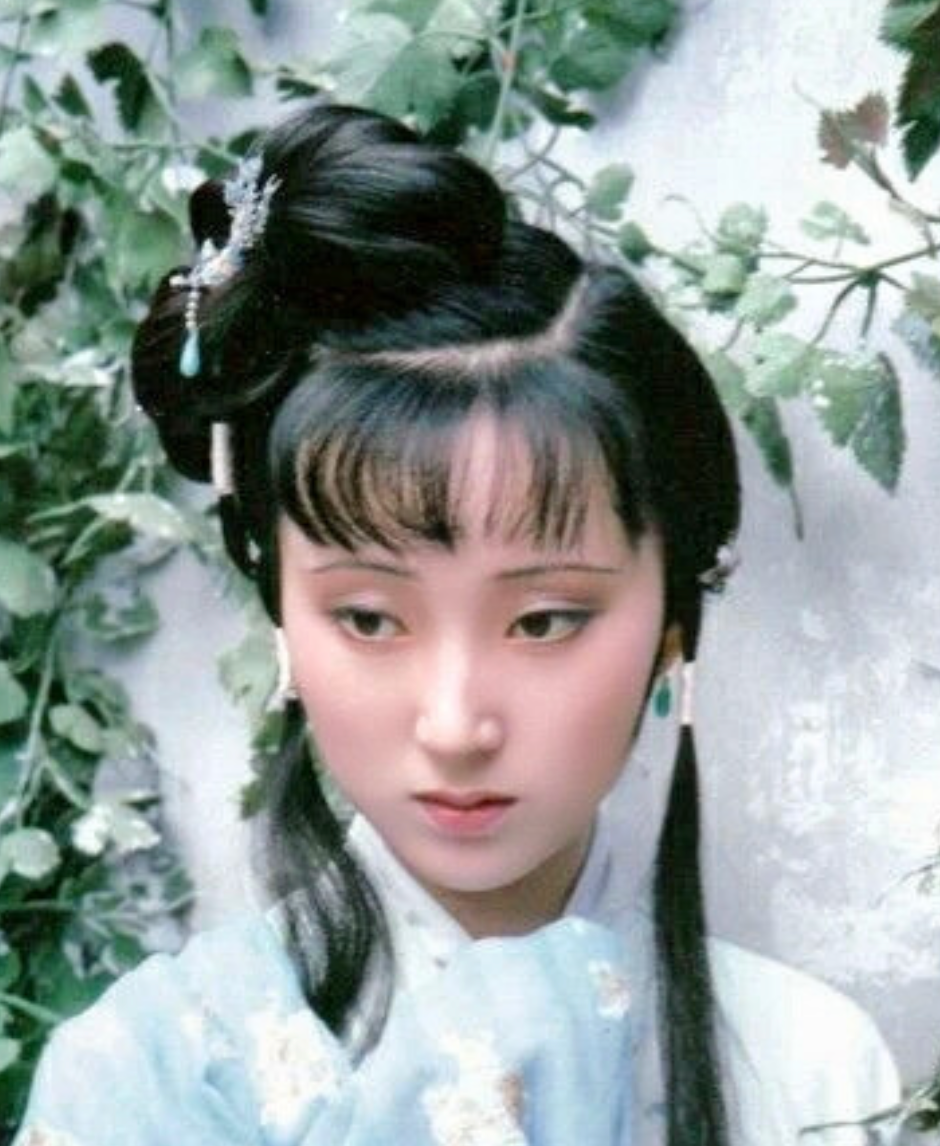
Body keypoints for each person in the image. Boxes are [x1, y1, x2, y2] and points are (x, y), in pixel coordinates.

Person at [14, 103, 901, 1146]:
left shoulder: (809, 1071)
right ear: (281, 610)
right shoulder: (147, 1078)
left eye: (544, 621)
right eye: (368, 618)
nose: (455, 723)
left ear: (671, 622)